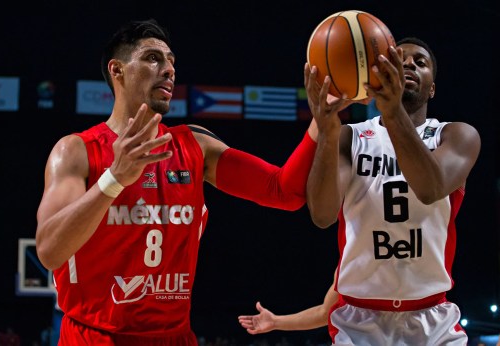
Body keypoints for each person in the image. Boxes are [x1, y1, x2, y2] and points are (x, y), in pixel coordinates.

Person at [35, 18, 320, 345]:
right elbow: (49, 251)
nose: (169, 69)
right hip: (94, 337)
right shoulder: (76, 151)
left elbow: (283, 192)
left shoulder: (195, 147)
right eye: (153, 58)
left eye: (171, 61)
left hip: (174, 338)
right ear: (117, 70)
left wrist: (320, 122)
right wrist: (113, 180)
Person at [305, 36, 481, 345]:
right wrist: (327, 131)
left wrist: (392, 112)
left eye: (420, 62)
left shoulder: (456, 135)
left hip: (432, 317)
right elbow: (321, 214)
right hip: (360, 319)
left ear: (432, 88)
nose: (410, 64)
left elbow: (430, 188)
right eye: (400, 59)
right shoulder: (351, 137)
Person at [238, 272, 339, 334]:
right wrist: (275, 321)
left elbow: (326, 313)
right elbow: (326, 313)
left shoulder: (350, 253)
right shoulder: (346, 256)